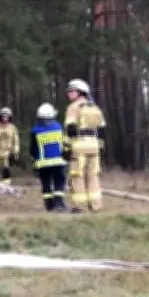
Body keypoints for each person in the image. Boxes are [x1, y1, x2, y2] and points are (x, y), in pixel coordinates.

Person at [62, 78, 106, 213]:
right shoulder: (95, 107)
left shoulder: (73, 107)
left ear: (81, 92)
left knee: (77, 176)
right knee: (93, 176)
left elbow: (70, 129)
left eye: (72, 91)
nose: (69, 94)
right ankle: (96, 206)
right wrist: (101, 146)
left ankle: (79, 207)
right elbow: (102, 129)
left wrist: (66, 148)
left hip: (79, 146)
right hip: (94, 147)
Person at [29, 103, 68, 212]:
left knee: (46, 183)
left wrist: (34, 159)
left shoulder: (35, 130)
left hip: (42, 163)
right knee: (59, 181)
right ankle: (59, 203)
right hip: (58, 162)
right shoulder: (58, 127)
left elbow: (32, 148)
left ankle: (49, 205)